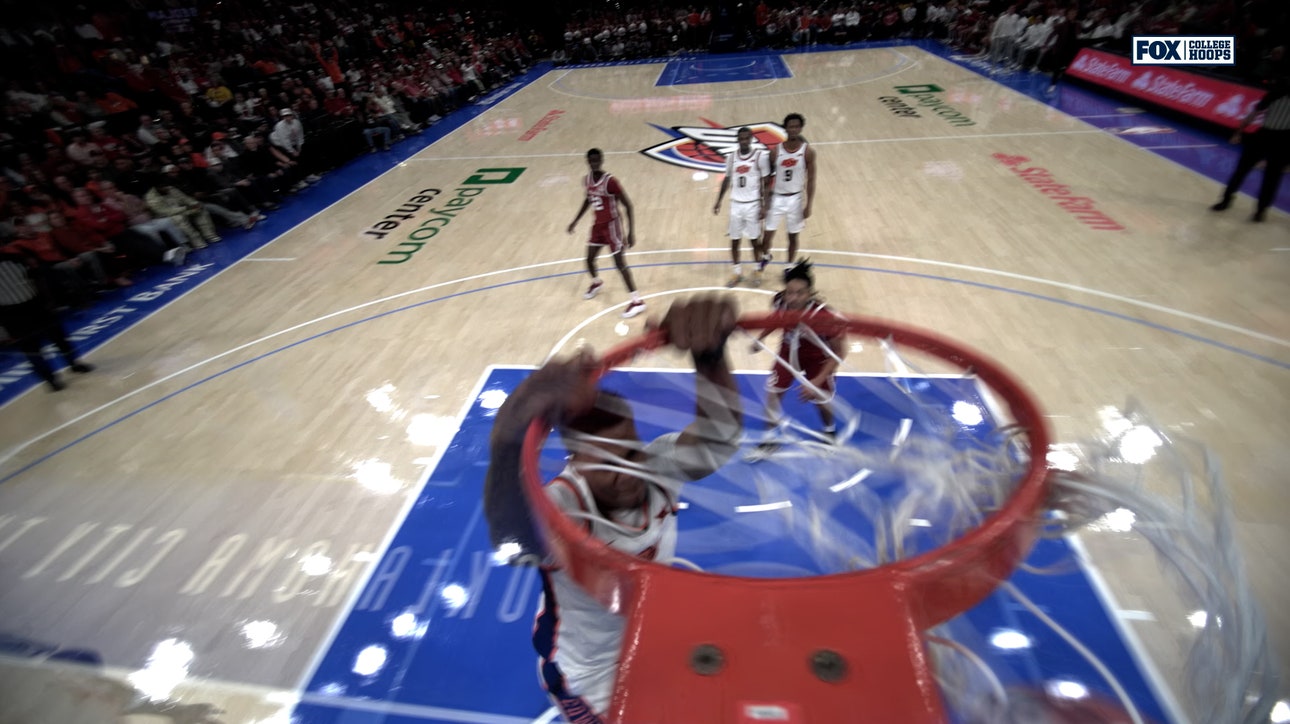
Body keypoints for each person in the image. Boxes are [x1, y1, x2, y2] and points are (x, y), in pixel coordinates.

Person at [483, 296, 743, 722]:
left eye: (629, 452)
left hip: (649, 629)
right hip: (588, 670)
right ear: (576, 463)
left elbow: (720, 437)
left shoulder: (658, 467)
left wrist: (710, 356)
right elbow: (512, 540)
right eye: (605, 463)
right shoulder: (562, 504)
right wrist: (507, 442)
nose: (624, 471)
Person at [748, 259, 848, 458]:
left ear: (810, 293)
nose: (792, 297)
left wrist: (817, 381)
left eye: (799, 293)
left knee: (821, 399)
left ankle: (829, 433)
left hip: (817, 359)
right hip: (788, 353)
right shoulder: (779, 301)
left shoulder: (826, 317)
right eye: (789, 292)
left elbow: (839, 353)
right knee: (773, 394)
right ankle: (769, 439)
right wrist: (761, 337)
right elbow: (776, 319)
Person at [0, 247, 94, 392]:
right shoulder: (15, 257)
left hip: (35, 303)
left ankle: (74, 363)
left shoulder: (15, 257)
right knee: (31, 349)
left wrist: (48, 300)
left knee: (59, 338)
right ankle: (50, 379)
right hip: (10, 314)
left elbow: (38, 276)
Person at [567, 148, 646, 319]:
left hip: (612, 226)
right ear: (588, 161)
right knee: (588, 260)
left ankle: (637, 301)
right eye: (591, 160)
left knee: (620, 264)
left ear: (601, 160)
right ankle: (596, 283)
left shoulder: (610, 182)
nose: (594, 163)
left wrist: (631, 232)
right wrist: (576, 220)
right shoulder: (587, 180)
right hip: (598, 227)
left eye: (597, 160)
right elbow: (588, 200)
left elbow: (629, 205)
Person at [1211, 75, 1290, 223]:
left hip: (1283, 140)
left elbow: (1253, 114)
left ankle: (1260, 210)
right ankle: (1226, 200)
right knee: (1242, 170)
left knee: (1271, 178)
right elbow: (1254, 113)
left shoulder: (1275, 93)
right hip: (1265, 134)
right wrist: (1239, 131)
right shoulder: (1274, 94)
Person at [712, 127, 772, 288]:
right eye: (741, 138)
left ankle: (757, 270)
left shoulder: (760, 157)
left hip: (753, 204)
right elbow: (727, 179)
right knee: (734, 241)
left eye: (747, 138)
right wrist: (719, 201)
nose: (744, 141)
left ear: (751, 139)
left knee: (754, 241)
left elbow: (766, 183)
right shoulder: (731, 158)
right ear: (738, 140)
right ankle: (736, 272)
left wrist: (764, 206)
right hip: (735, 204)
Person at [760, 113, 816, 268]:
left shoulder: (807, 152)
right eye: (791, 126)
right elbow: (765, 179)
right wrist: (764, 203)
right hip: (777, 197)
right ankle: (766, 255)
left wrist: (808, 205)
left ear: (801, 128)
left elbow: (811, 180)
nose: (794, 129)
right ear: (785, 128)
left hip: (796, 199)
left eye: (797, 126)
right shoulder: (775, 152)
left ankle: (788, 267)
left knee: (792, 237)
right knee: (767, 236)